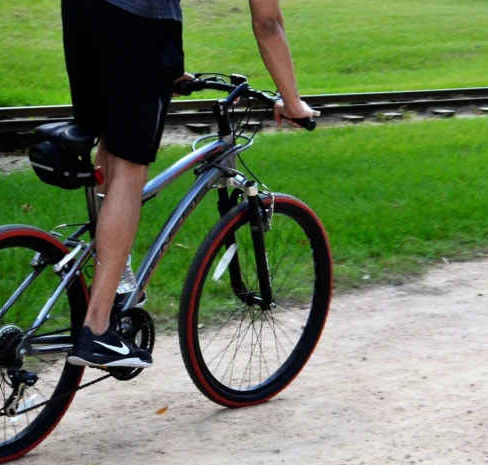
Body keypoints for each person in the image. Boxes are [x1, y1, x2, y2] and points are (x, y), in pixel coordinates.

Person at [64, 0, 316, 369]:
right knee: (130, 169)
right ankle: (97, 327)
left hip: (82, 13)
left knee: (108, 139)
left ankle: (116, 280)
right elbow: (267, 22)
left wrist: (170, 67)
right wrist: (292, 102)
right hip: (139, 20)